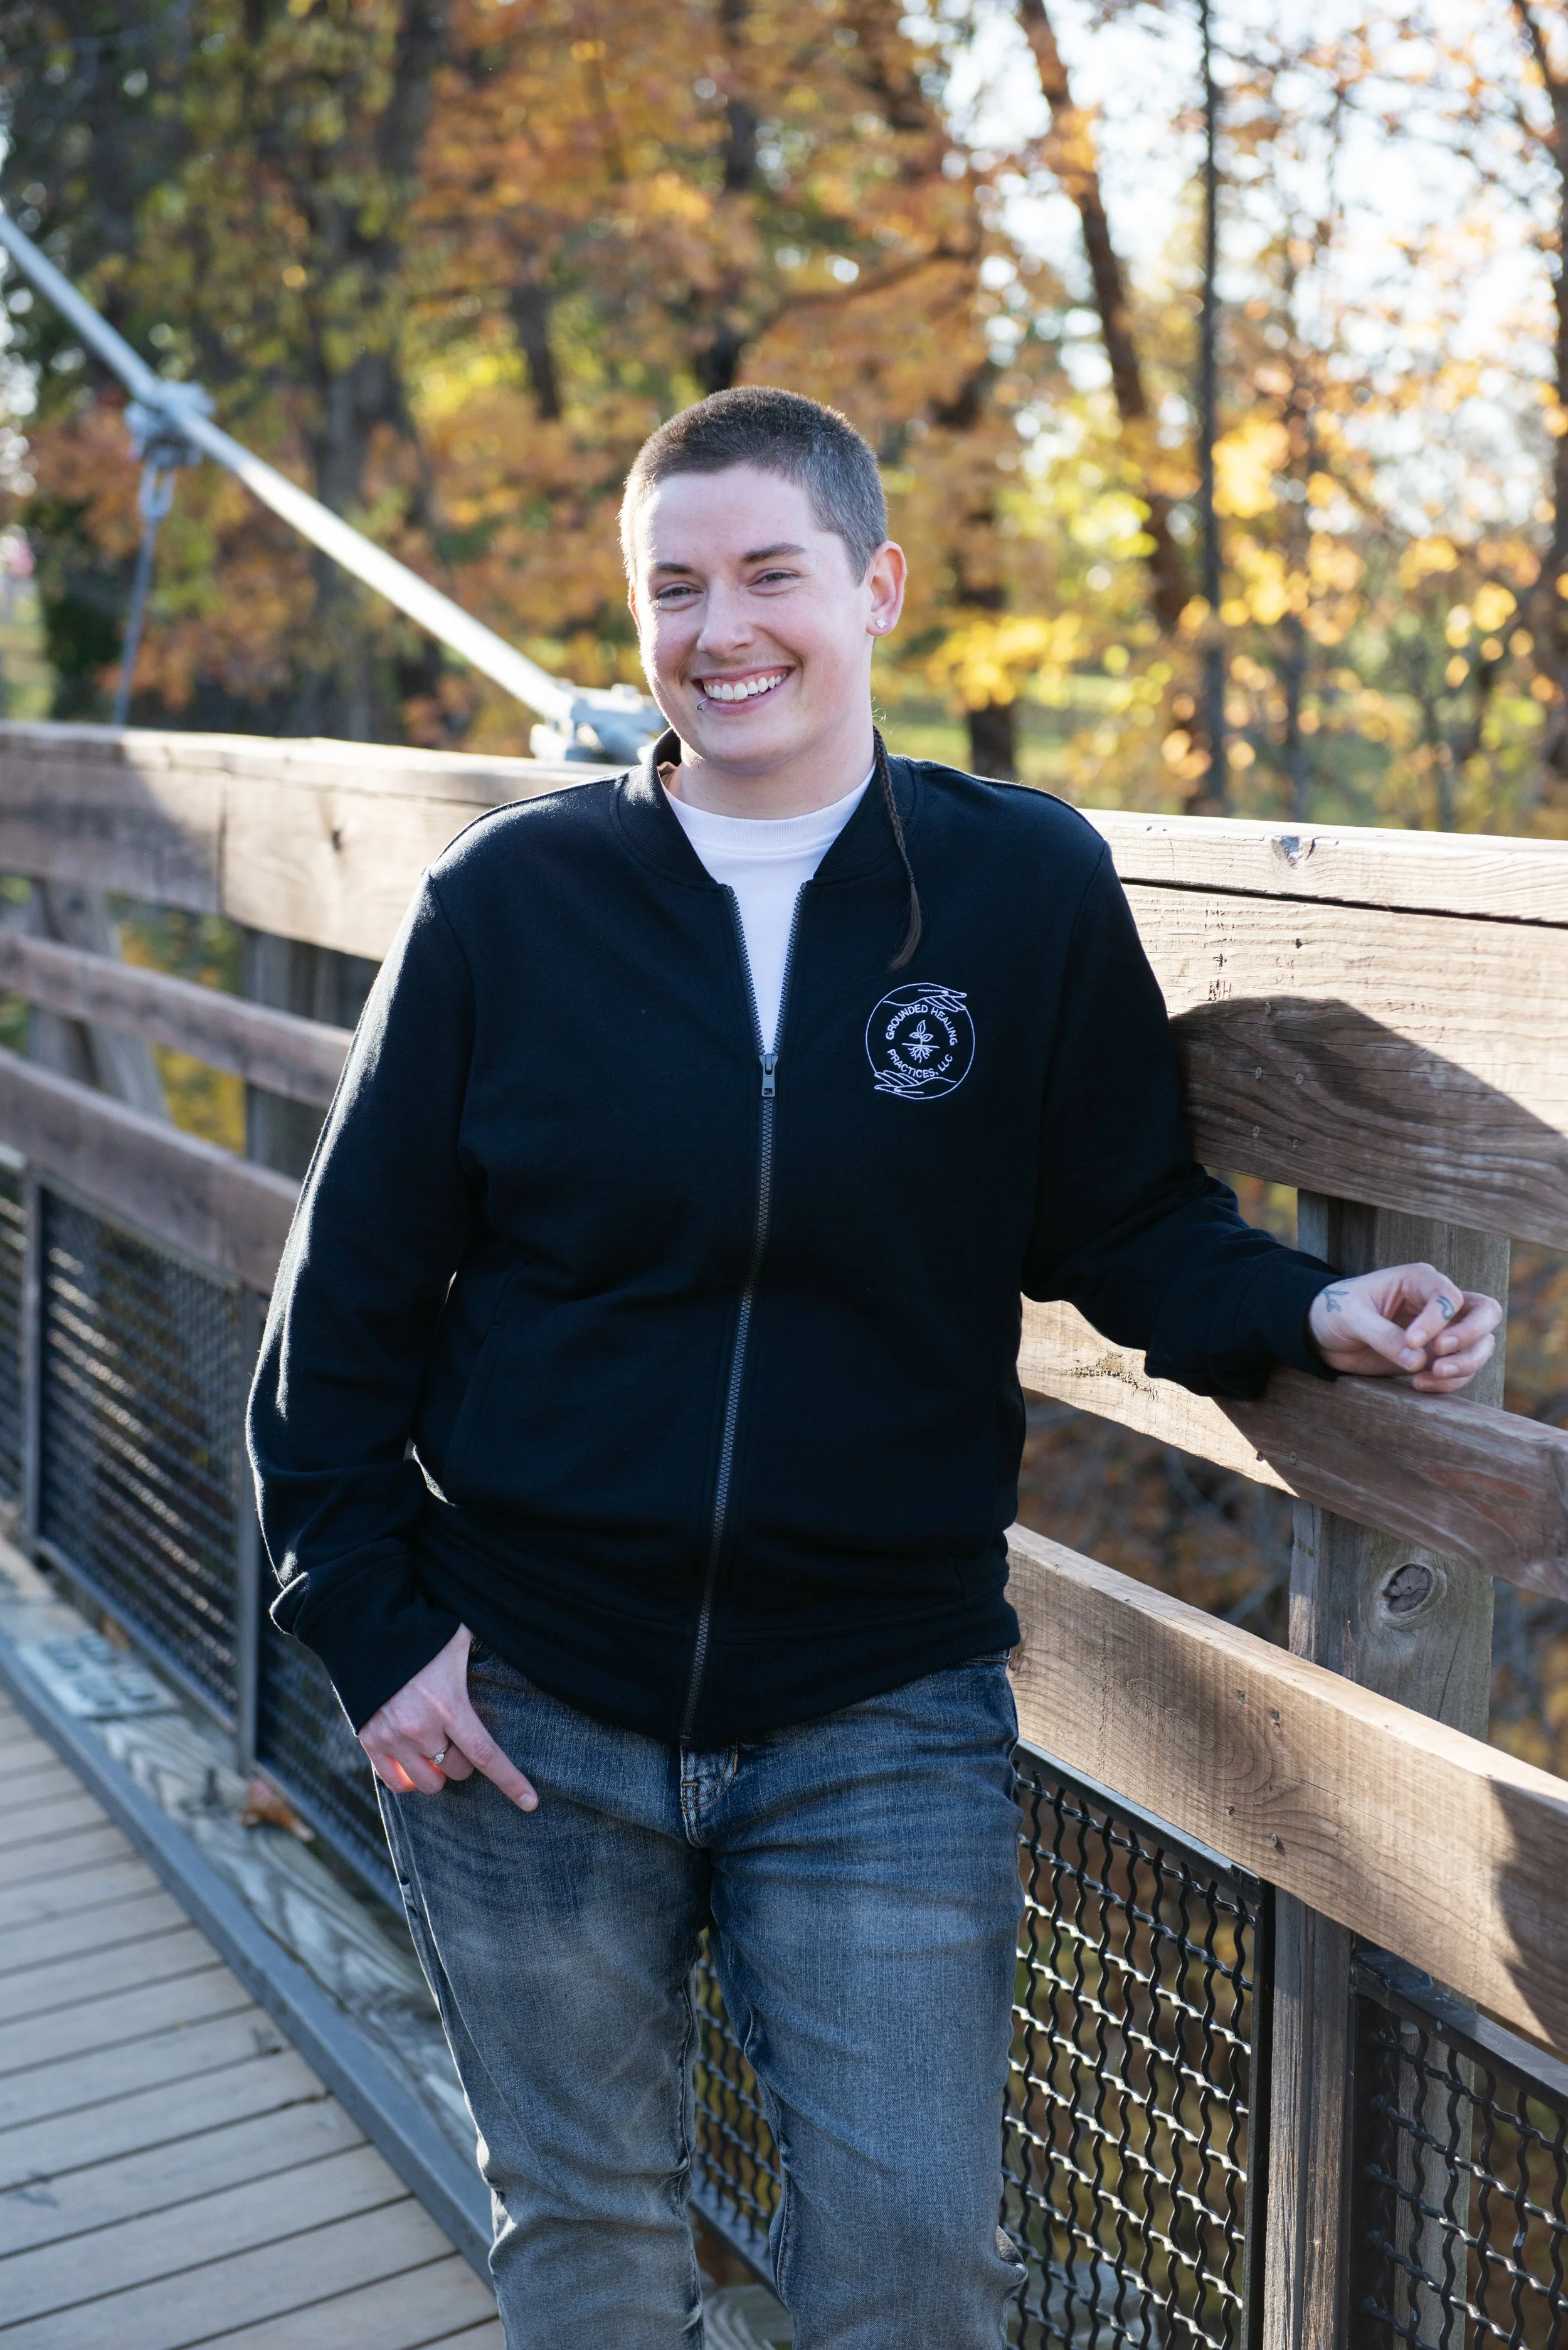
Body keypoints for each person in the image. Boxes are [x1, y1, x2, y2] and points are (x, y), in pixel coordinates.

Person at [248, 386, 1501, 2350]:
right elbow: (342, 1312)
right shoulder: (508, 908)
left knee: (914, 2267)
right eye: (675, 587)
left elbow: (1112, 1220)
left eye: (768, 572)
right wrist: (363, 1618)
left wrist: (1306, 1314)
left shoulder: (1015, 892)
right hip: (529, 1706)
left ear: (877, 586)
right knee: (585, 2233)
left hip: (876, 1709)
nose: (721, 627)